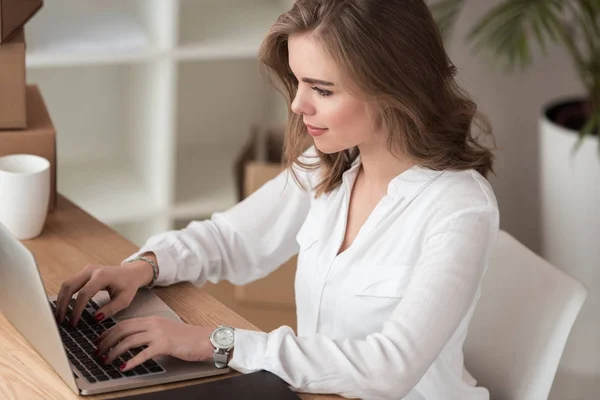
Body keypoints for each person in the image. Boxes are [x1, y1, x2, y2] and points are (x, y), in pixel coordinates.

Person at [55, 0, 500, 399]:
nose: (297, 105)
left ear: (397, 88)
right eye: (298, 82)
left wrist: (216, 343)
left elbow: (389, 369)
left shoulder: (459, 209)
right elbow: (232, 238)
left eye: (322, 89)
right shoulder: (332, 164)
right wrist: (145, 267)